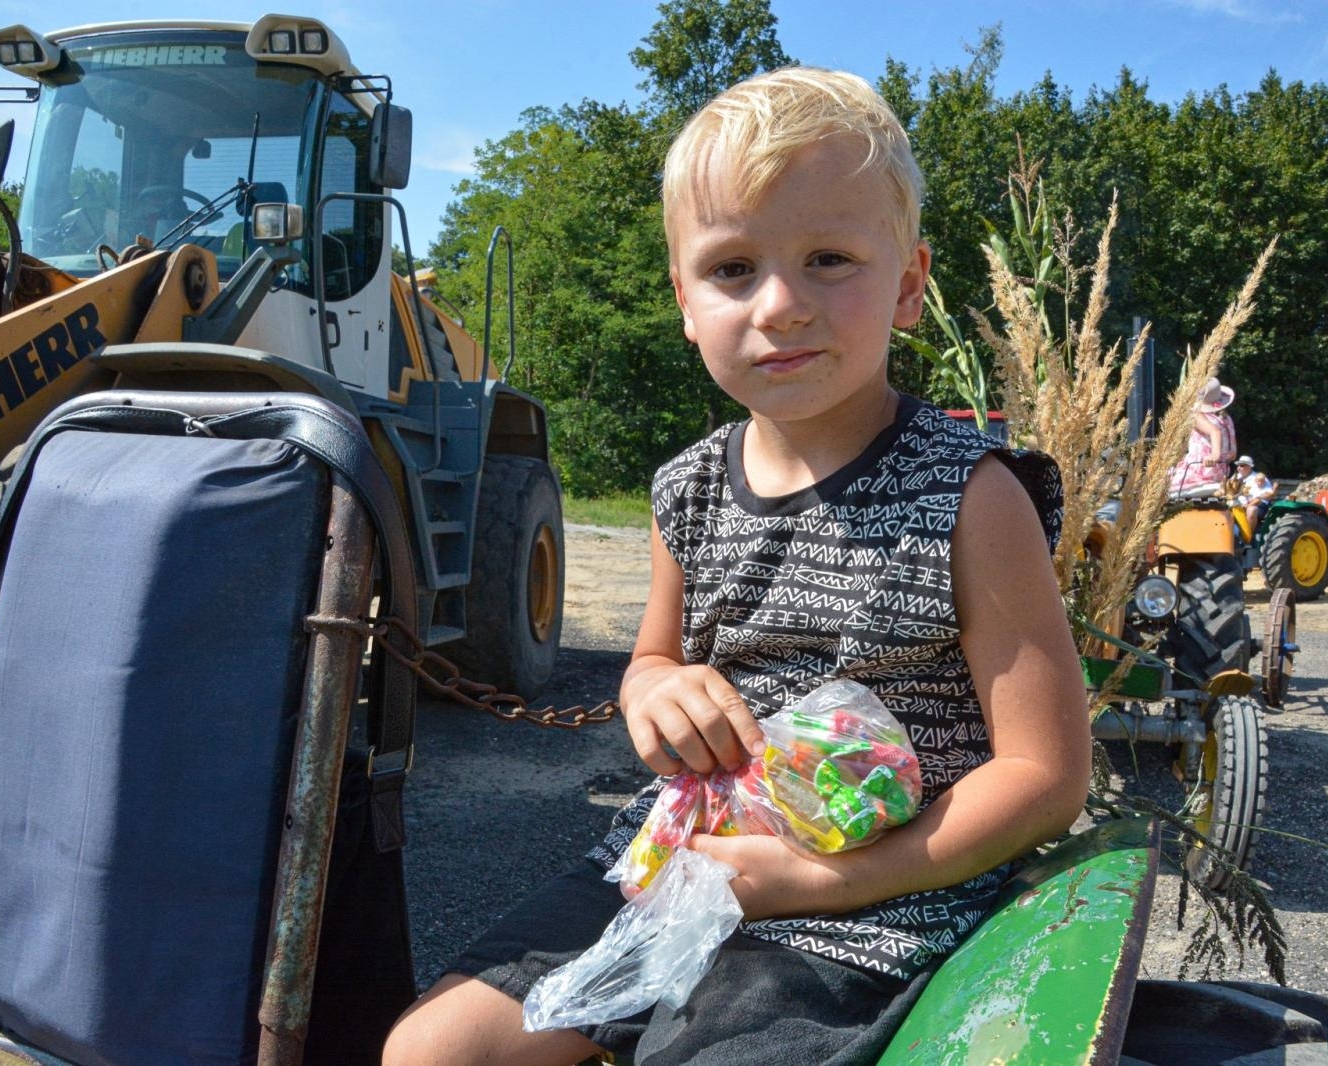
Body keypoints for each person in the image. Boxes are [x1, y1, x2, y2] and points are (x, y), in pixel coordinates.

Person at [383, 68, 1091, 1066]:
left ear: (907, 285)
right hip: (683, 858)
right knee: (431, 1051)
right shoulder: (687, 490)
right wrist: (656, 694)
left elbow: (1045, 775)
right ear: (684, 300)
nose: (781, 305)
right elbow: (651, 660)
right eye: (732, 268)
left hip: (877, 897)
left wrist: (827, 880)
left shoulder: (973, 495)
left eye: (828, 259)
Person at [1169, 377, 1237, 495]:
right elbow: (1233, 454)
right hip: (1221, 471)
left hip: (1199, 469)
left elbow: (1214, 431)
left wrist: (1214, 456)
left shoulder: (1195, 415)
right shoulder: (1227, 419)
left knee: (1161, 485)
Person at [1233, 455, 1275, 528]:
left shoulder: (1259, 477)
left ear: (1249, 466)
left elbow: (1270, 494)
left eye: (1242, 465)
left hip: (1258, 505)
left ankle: (1249, 534)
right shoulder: (1235, 477)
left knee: (1251, 509)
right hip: (1238, 504)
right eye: (1238, 465)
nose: (1238, 467)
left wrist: (1256, 499)